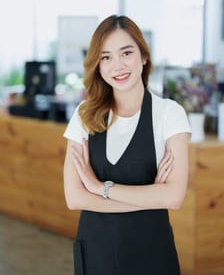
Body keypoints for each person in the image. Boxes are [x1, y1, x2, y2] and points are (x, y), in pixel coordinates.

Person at [63, 15, 191, 275]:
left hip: (151, 256)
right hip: (96, 255)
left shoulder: (169, 114)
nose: (117, 66)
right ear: (97, 65)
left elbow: (174, 197)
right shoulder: (85, 115)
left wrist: (100, 188)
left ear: (144, 57)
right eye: (106, 57)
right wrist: (151, 196)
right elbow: (75, 198)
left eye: (126, 53)